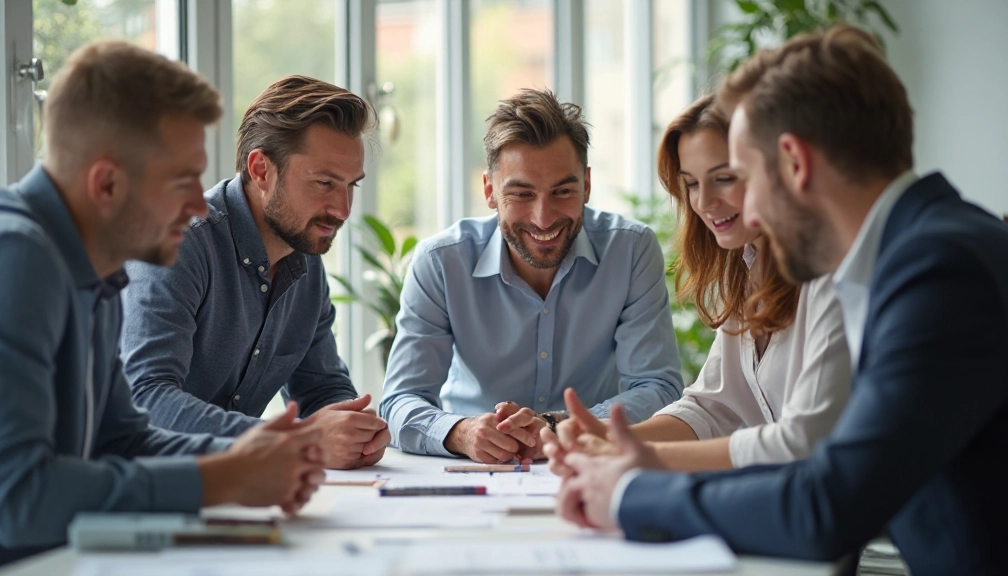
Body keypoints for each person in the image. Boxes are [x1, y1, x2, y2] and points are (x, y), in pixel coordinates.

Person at [547, 24, 1008, 574]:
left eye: (743, 176)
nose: (747, 215)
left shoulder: (939, 272)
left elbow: (826, 500)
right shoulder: (926, 248)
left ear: (795, 163)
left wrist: (630, 493)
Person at [0, 41, 324, 565]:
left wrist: (253, 458)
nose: (200, 205)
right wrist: (220, 478)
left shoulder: (92, 269)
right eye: (182, 182)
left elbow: (122, 440)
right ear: (106, 183)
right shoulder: (18, 258)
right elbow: (18, 496)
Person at [545, 94, 850, 474]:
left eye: (723, 179)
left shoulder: (831, 275)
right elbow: (712, 407)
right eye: (691, 184)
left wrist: (644, 456)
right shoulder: (748, 270)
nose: (704, 202)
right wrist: (609, 435)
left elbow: (805, 440)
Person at [380, 88, 683, 463]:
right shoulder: (441, 262)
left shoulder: (630, 250)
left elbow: (658, 387)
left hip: (587, 461)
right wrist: (463, 433)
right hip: (471, 469)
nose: (543, 217)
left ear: (587, 185)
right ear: (490, 191)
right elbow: (399, 401)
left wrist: (559, 426)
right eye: (522, 194)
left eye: (562, 191)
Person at [120, 75, 390, 470]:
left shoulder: (304, 259)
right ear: (261, 169)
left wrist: (354, 429)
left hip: (228, 487)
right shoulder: (177, 243)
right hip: (130, 489)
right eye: (324, 183)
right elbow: (146, 400)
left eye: (351, 186)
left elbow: (322, 389)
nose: (343, 209)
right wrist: (298, 439)